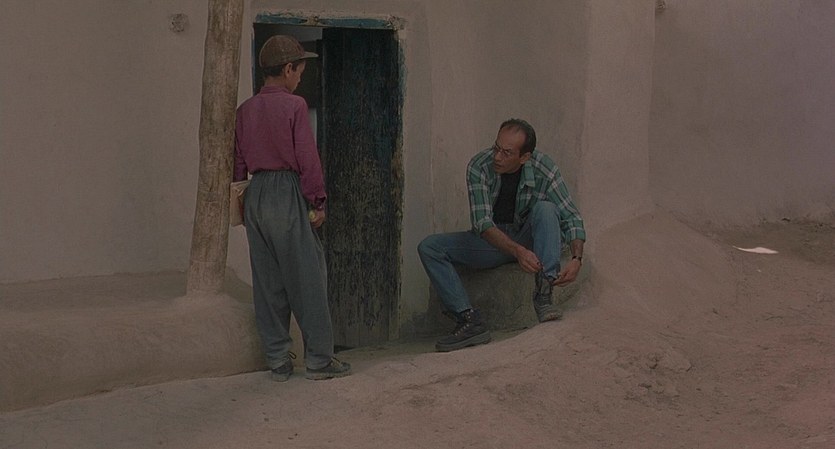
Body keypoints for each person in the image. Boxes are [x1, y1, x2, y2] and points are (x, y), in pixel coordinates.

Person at [233, 35, 350, 381]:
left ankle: (278, 359)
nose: (299, 77)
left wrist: (243, 198)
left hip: (255, 193)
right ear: (287, 69)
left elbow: (237, 163)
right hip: (286, 190)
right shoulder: (295, 106)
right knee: (307, 276)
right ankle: (319, 359)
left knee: (267, 280)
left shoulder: (244, 111)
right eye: (299, 71)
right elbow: (307, 159)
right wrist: (318, 201)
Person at [418, 119, 586, 352]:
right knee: (429, 247)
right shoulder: (479, 166)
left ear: (524, 157)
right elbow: (483, 224)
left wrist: (577, 259)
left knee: (546, 209)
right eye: (496, 147)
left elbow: (571, 216)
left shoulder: (544, 167)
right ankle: (468, 320)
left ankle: (544, 292)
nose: (497, 157)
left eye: (507, 153)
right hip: (494, 241)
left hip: (528, 236)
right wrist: (517, 251)